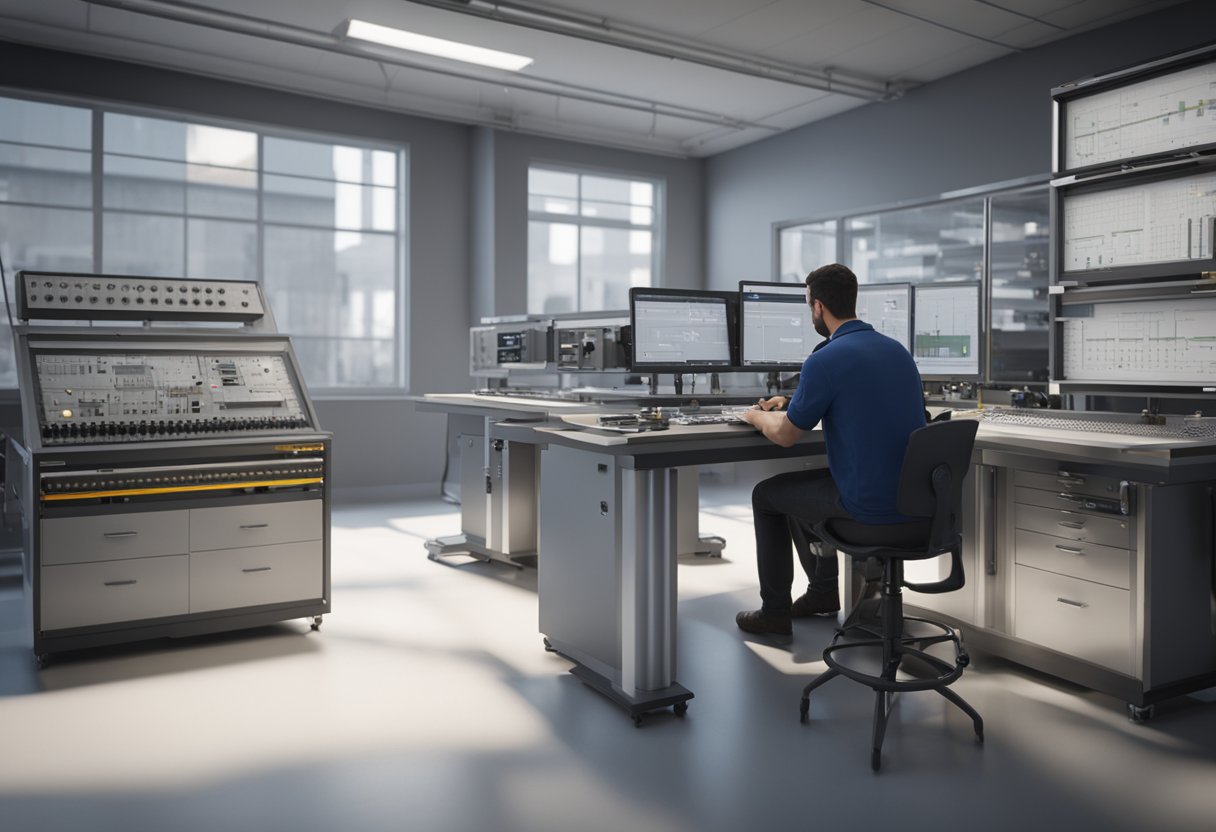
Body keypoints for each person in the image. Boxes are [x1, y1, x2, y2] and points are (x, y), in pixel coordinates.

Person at [736, 263, 926, 637]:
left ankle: (774, 613)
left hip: (867, 507)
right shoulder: (897, 351)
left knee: (767, 495)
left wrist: (755, 417)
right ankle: (822, 593)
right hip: (916, 505)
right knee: (796, 488)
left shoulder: (824, 358)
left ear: (818, 306)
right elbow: (859, 396)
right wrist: (793, 401)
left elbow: (787, 435)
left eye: (809, 306)